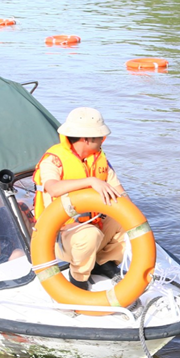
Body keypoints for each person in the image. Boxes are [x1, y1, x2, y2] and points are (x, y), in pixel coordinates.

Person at [32, 107, 127, 290]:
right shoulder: (53, 160)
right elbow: (53, 188)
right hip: (60, 233)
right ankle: (78, 279)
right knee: (89, 235)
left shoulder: (100, 159)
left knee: (124, 220)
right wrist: (90, 181)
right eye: (101, 137)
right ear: (87, 139)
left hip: (95, 222)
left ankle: (103, 261)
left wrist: (135, 219)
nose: (103, 141)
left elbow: (121, 193)